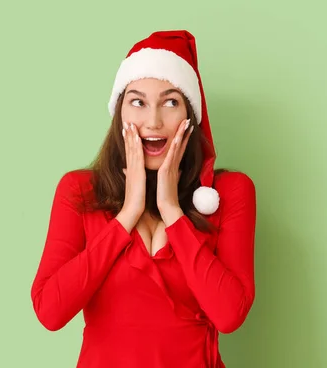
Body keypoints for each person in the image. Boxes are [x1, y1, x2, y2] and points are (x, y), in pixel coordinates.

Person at [30, 30, 257, 368]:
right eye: (138, 102)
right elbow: (50, 311)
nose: (153, 121)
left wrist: (172, 212)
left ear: (189, 116)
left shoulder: (229, 192)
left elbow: (229, 315)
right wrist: (128, 214)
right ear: (120, 112)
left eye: (170, 102)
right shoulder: (79, 191)